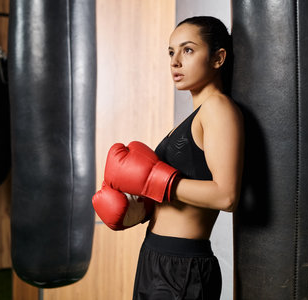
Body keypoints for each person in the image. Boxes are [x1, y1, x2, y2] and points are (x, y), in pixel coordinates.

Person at [92, 16, 244, 300]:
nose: (175, 62)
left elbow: (226, 196)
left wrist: (155, 181)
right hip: (156, 256)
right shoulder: (191, 118)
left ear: (218, 58)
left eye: (187, 50)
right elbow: (171, 196)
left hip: (182, 266)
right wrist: (138, 210)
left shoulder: (218, 109)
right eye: (171, 52)